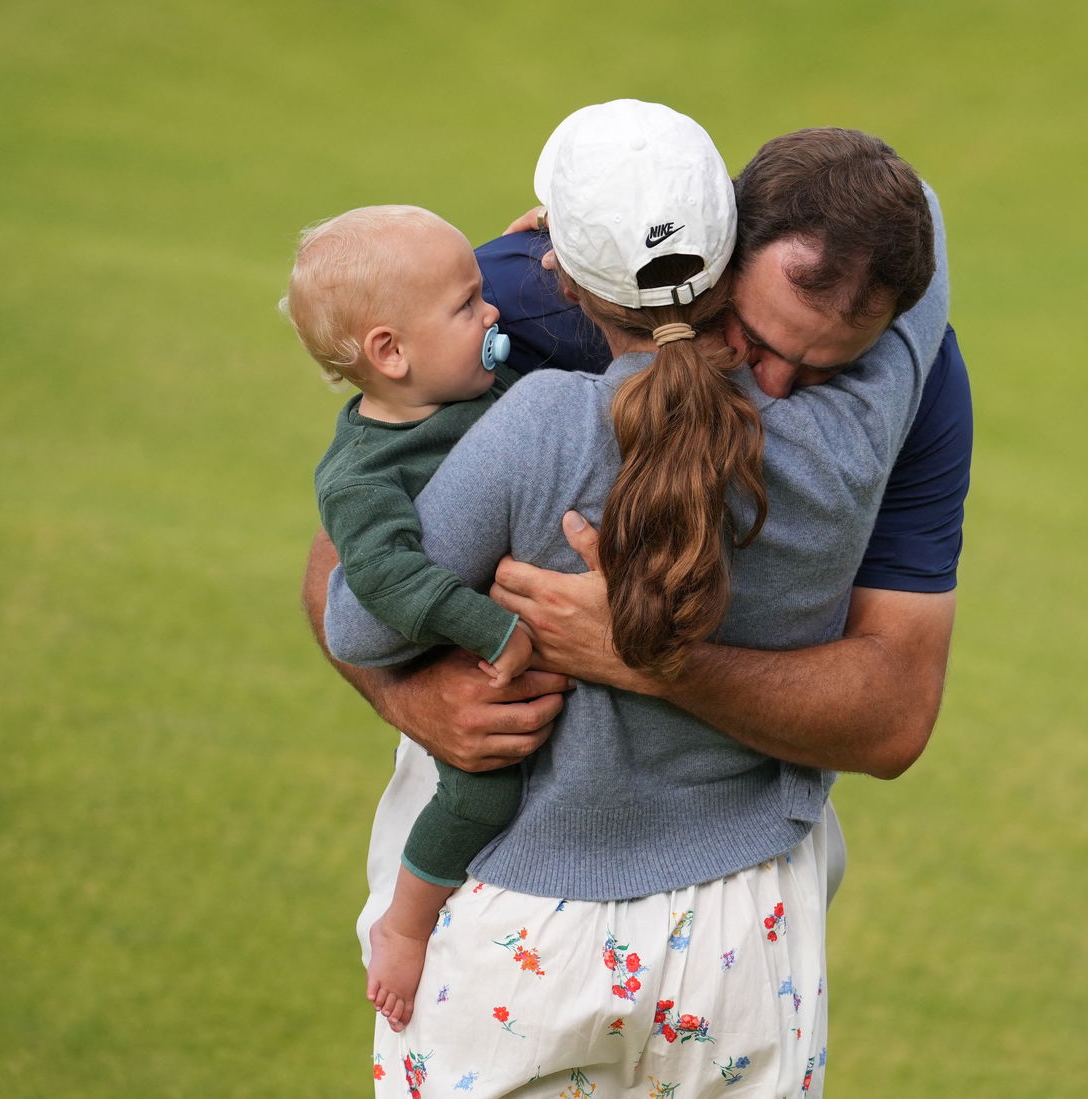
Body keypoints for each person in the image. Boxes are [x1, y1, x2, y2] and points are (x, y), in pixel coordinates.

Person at [323, 99, 949, 1095]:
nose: (781, 381)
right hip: (746, 934)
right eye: (756, 332)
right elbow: (919, 213)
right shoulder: (853, 437)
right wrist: (419, 701)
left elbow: (354, 603)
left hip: (517, 912)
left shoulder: (522, 401)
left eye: (819, 360)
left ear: (563, 274)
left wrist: (613, 649)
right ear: (728, 244)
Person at [281, 205, 536, 1028]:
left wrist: (530, 247)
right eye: (469, 304)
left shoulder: (465, 375)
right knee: (481, 793)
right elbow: (387, 580)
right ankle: (406, 920)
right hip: (454, 647)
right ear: (391, 353)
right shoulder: (362, 474)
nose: (493, 311)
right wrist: (490, 628)